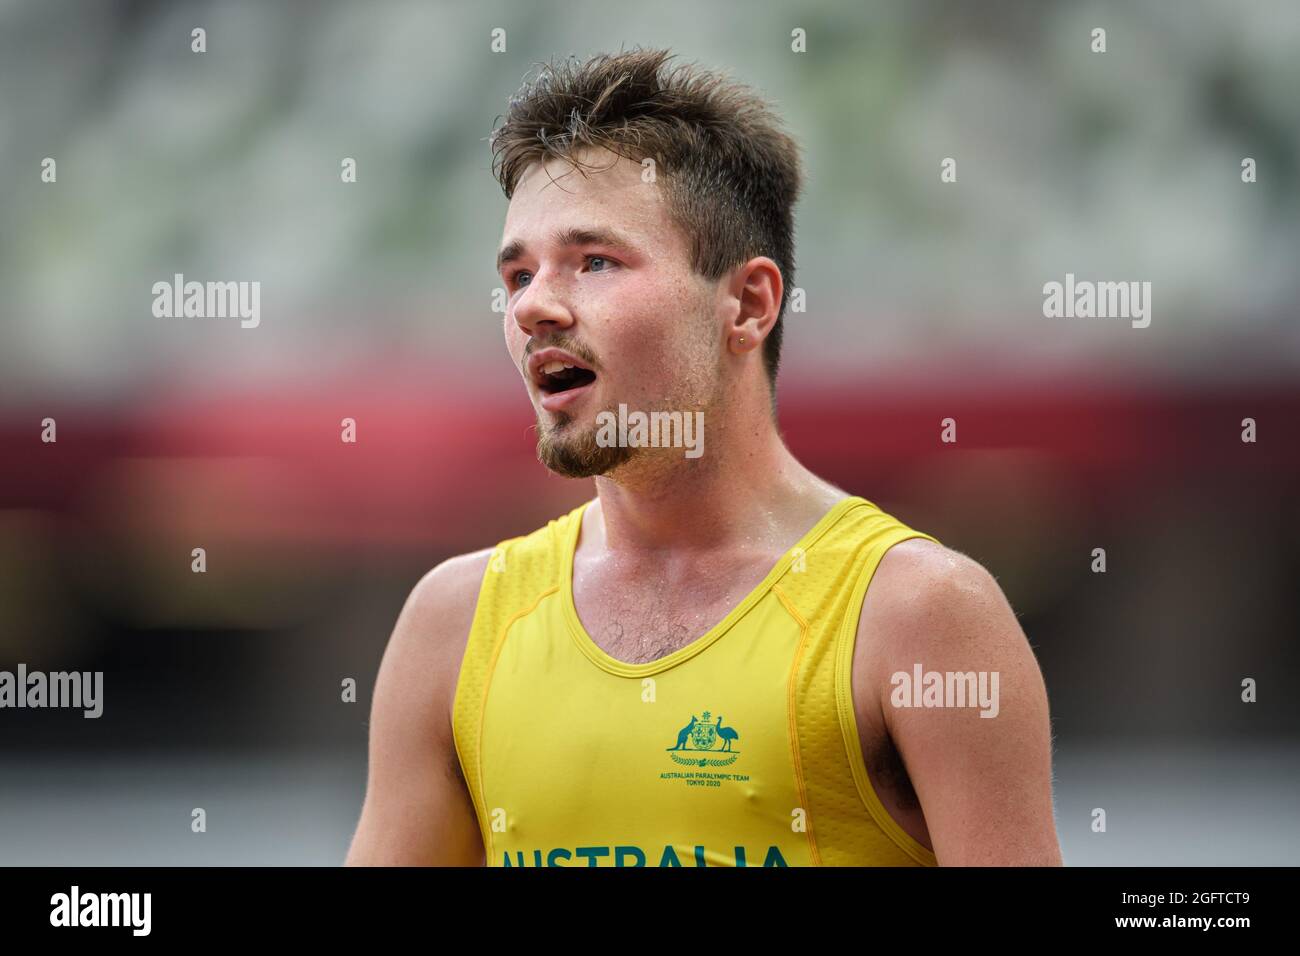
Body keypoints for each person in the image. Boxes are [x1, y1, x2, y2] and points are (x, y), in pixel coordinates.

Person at [345, 48, 1062, 867]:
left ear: (749, 305)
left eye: (595, 262)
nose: (535, 306)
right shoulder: (455, 623)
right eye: (517, 274)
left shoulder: (920, 616)